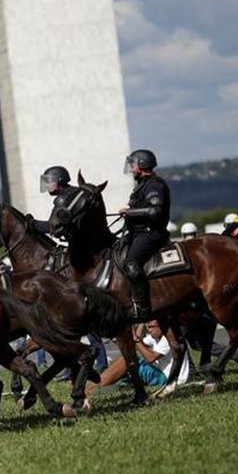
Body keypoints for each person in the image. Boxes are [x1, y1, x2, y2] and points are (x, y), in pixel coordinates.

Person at [118, 149, 170, 322]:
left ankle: (142, 307)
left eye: (133, 165)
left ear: (142, 165)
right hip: (138, 233)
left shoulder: (154, 185)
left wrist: (130, 212)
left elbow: (155, 211)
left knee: (131, 263)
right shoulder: (142, 185)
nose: (131, 168)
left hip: (151, 233)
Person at [85, 320, 190, 395]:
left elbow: (151, 358)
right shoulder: (155, 337)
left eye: (152, 327)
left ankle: (96, 386)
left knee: (127, 361)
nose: (150, 330)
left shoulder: (169, 339)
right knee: (126, 359)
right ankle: (96, 385)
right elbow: (135, 345)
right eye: (148, 327)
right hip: (160, 372)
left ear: (161, 327)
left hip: (169, 378)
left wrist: (135, 339)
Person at [29, 166, 81, 234]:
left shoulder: (62, 199)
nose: (47, 186)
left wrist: (32, 223)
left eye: (49, 182)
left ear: (59, 181)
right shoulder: (75, 191)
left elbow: (51, 227)